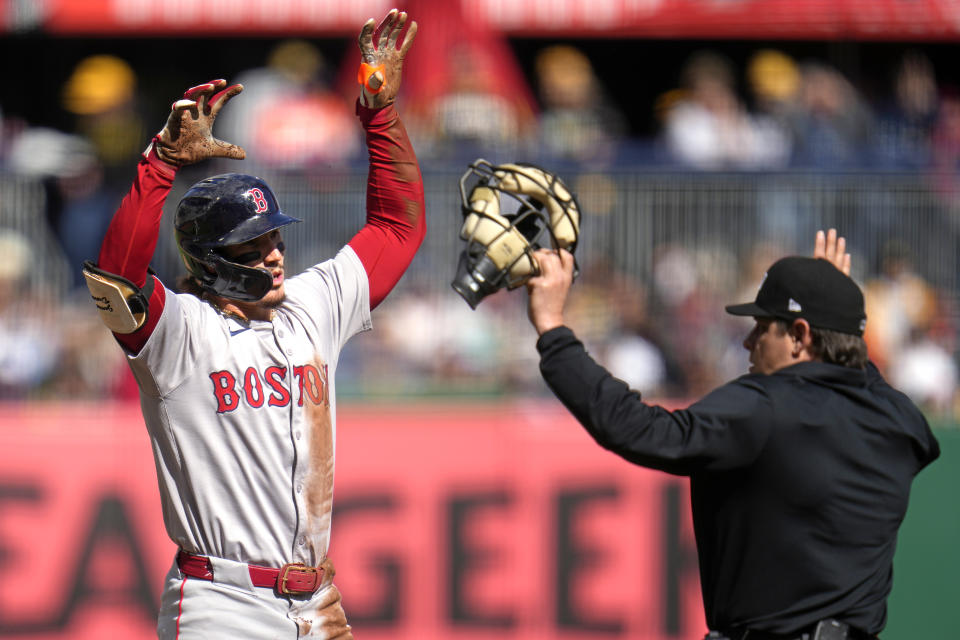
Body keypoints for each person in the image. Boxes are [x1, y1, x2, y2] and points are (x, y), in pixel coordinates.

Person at [84, 10, 421, 640]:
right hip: (222, 602)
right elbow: (117, 279)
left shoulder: (311, 305)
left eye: (272, 236)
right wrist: (160, 164)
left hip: (317, 600)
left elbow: (398, 230)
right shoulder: (179, 335)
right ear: (210, 262)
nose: (271, 253)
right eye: (249, 244)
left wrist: (381, 115)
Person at [524, 229, 940, 640]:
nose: (747, 341)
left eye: (762, 327)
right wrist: (834, 310)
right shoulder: (899, 419)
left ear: (799, 335)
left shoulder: (765, 407)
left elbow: (639, 429)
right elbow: (858, 373)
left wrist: (553, 331)